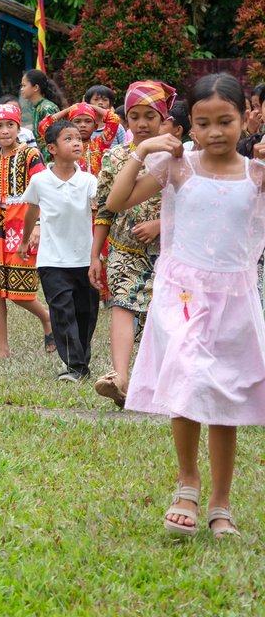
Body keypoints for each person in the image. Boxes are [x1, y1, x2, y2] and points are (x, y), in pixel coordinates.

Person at [106, 73, 265, 539]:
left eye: (226, 121)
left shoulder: (257, 175)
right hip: (182, 293)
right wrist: (143, 150)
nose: (215, 132)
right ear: (188, 126)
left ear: (245, 118)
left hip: (234, 294)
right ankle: (187, 484)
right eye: (203, 123)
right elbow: (116, 200)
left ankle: (221, 501)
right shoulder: (178, 168)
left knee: (223, 394)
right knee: (191, 376)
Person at [90, 81, 171, 408]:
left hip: (171, 252)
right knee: (121, 305)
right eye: (134, 115)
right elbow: (105, 207)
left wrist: (160, 224)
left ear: (163, 119)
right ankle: (120, 378)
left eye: (149, 115)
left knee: (163, 316)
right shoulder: (115, 156)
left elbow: (195, 205)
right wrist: (95, 254)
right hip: (124, 248)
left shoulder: (178, 154)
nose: (141, 123)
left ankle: (165, 382)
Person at [0, 103, 54, 359]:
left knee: (19, 292)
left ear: (19, 127)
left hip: (23, 224)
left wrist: (38, 224)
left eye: (10, 125)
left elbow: (43, 191)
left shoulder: (30, 156)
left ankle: (47, 318)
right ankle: (2, 349)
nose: (5, 131)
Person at [19, 120, 99, 382]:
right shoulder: (40, 181)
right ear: (51, 148)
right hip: (52, 259)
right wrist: (24, 240)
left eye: (78, 138)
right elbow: (31, 211)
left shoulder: (88, 180)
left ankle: (80, 359)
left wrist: (97, 254)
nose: (77, 142)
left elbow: (99, 215)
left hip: (84, 258)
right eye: (69, 138)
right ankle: (75, 365)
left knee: (85, 313)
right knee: (62, 311)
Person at [38, 102, 121, 175]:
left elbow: (114, 119)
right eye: (77, 121)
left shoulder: (99, 144)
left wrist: (90, 106)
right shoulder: (62, 146)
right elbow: (43, 126)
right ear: (70, 124)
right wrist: (69, 110)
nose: (83, 125)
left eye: (88, 121)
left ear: (95, 127)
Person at [20, 70, 67, 159]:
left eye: (24, 85)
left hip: (51, 157)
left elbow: (55, 137)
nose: (22, 89)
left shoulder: (46, 108)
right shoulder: (37, 107)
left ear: (35, 87)